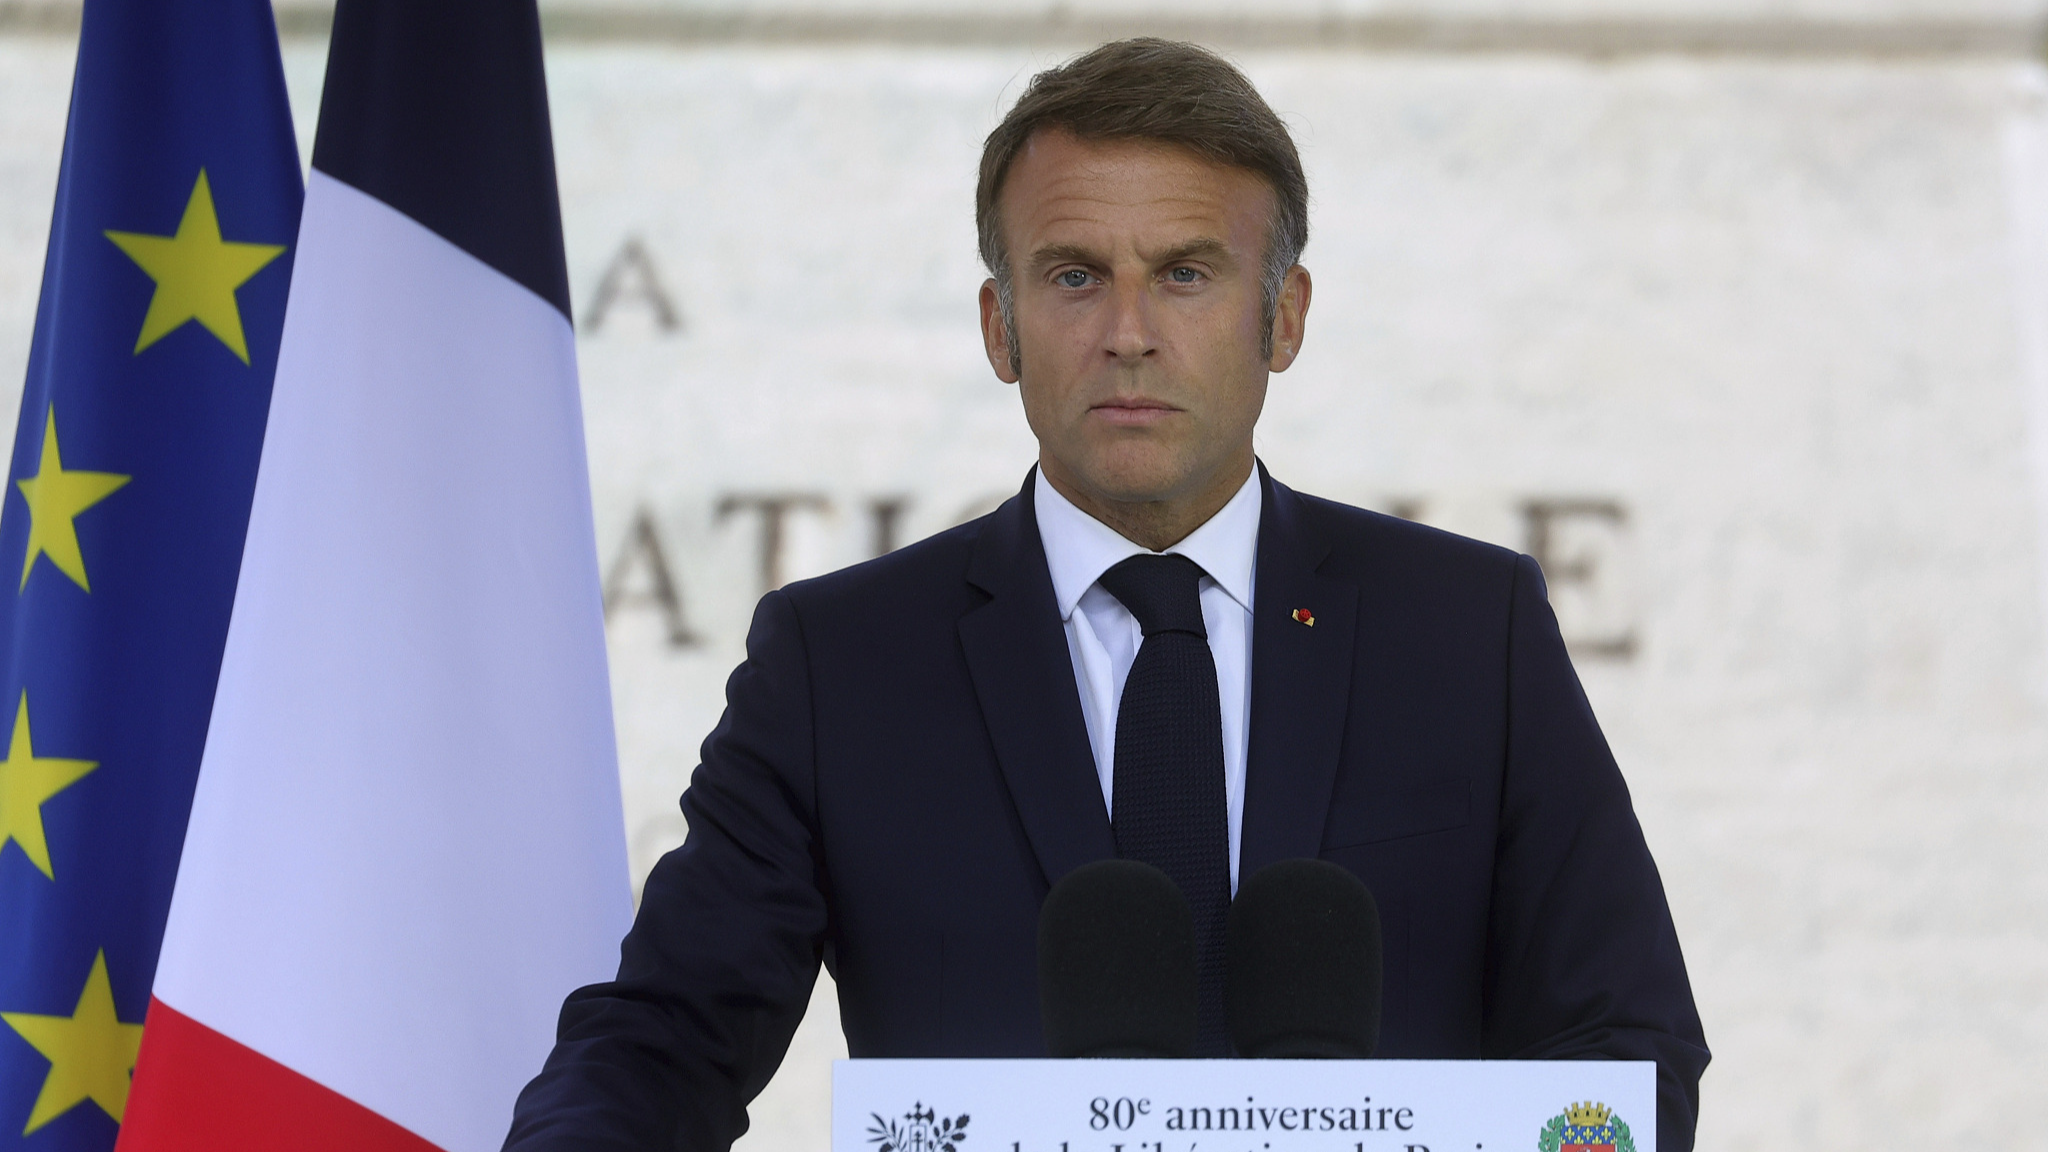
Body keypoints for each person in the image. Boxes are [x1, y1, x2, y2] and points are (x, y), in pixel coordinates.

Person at [505, 37, 1709, 1152]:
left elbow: (1620, 1047)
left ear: (1280, 318)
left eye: (1185, 274)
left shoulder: (1464, 634)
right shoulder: (839, 662)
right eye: (1074, 276)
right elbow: (663, 1039)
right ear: (1000, 327)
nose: (1127, 333)